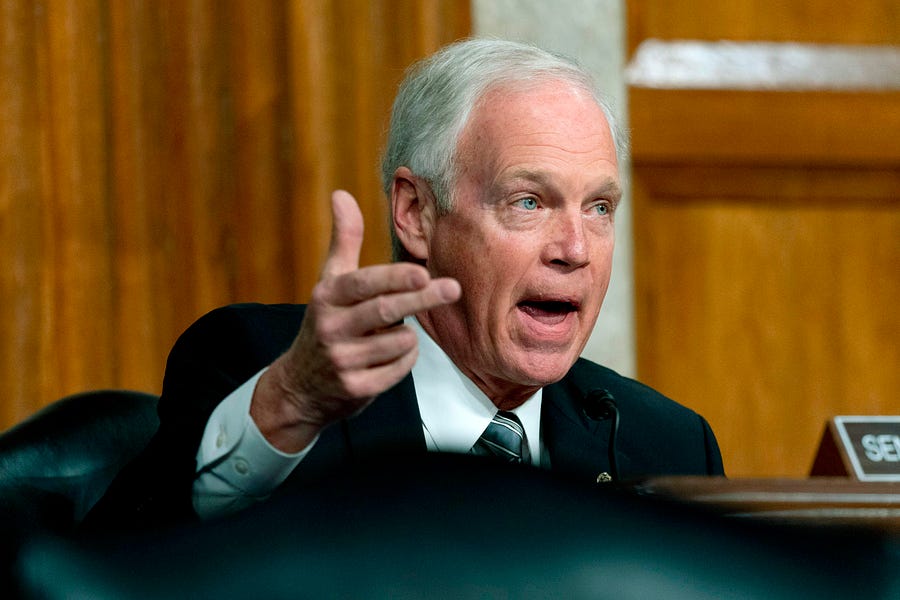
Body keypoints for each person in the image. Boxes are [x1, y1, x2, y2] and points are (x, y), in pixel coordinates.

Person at [86, 38, 723, 530]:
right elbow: (105, 575)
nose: (575, 250)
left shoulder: (666, 444)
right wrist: (290, 404)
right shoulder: (259, 371)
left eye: (599, 208)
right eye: (528, 202)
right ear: (416, 212)